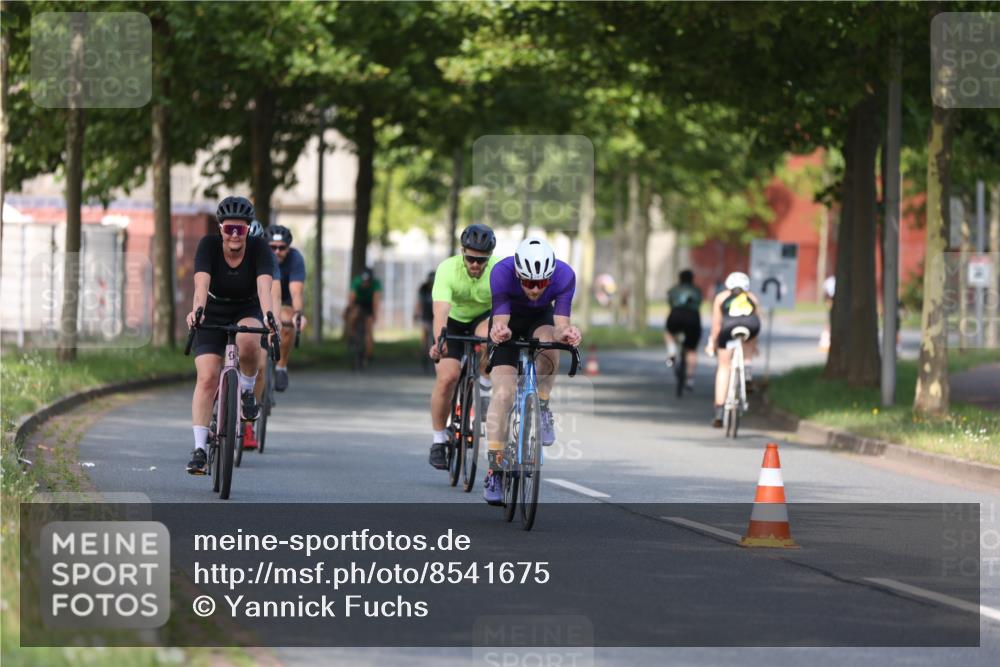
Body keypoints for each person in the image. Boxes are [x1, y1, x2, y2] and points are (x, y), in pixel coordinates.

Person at [483, 237, 582, 505]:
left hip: (540, 321)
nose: (536, 289)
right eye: (528, 283)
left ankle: (543, 405)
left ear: (551, 276)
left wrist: (568, 334)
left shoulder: (564, 275)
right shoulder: (502, 272)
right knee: (503, 394)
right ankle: (495, 470)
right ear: (518, 275)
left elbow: (560, 325)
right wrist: (500, 331)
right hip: (508, 321)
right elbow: (501, 318)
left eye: (542, 282)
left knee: (551, 345)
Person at [185, 197, 277, 474]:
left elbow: (264, 288)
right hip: (212, 309)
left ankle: (247, 391)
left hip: (246, 307)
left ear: (248, 230)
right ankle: (200, 449)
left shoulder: (260, 248)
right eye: (229, 229)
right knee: (207, 378)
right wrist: (197, 311)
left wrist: (269, 317)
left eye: (241, 229)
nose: (235, 235)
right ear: (220, 229)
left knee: (248, 341)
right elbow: (201, 285)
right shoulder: (208, 246)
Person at [427, 224, 498, 470]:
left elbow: (504, 311)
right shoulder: (448, 269)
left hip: (482, 319)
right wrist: (440, 342)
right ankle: (438, 440)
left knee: (490, 337)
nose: (475, 264)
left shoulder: (499, 271)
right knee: (447, 378)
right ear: (462, 252)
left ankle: (484, 388)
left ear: (489, 257)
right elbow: (440, 313)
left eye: (482, 260)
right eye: (470, 258)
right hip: (453, 322)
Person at [241, 220, 283, 451]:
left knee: (261, 363)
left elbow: (274, 294)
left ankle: (248, 424)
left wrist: (274, 322)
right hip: (230, 311)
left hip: (258, 312)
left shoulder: (266, 258)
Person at [705, 271, 761, 428]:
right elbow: (757, 321)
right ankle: (747, 368)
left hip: (728, 327)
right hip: (750, 326)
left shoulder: (721, 297)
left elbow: (716, 325)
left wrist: (712, 343)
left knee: (724, 367)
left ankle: (719, 411)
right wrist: (754, 346)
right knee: (749, 340)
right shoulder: (752, 298)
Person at [266, 225, 307, 391]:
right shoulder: (260, 257)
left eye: (281, 248)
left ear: (288, 248)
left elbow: (296, 292)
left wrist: (298, 315)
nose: (277, 251)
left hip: (285, 299)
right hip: (263, 298)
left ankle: (281, 366)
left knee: (288, 323)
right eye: (272, 247)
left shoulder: (296, 259)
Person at [664, 269, 703, 389]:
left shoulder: (673, 289)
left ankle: (671, 351)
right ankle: (690, 379)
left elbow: (670, 302)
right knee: (691, 349)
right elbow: (699, 303)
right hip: (692, 318)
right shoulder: (697, 290)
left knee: (669, 332)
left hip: (676, 315)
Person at [346, 267, 382, 363]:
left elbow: (376, 301)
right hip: (358, 302)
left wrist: (374, 314)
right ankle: (351, 335)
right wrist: (349, 310)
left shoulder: (376, 284)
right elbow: (352, 298)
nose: (365, 284)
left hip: (369, 304)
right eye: (363, 282)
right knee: (352, 316)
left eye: (367, 282)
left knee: (368, 329)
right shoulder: (356, 281)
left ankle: (369, 354)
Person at [415, 270, 436, 361]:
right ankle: (424, 349)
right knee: (425, 333)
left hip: (435, 315)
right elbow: (419, 302)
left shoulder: (439, 288)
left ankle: (435, 349)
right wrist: (416, 313)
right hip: (426, 315)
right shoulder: (423, 288)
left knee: (435, 334)